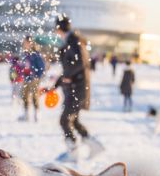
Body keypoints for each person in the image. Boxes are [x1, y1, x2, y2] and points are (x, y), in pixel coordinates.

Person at [48, 15, 104, 162]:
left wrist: (67, 76)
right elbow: (70, 68)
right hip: (74, 87)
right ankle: (94, 146)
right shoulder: (72, 40)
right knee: (74, 120)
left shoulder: (75, 41)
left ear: (58, 28)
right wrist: (54, 87)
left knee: (65, 120)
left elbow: (82, 63)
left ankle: (73, 151)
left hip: (77, 88)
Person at [19, 36, 46, 122]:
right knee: (24, 95)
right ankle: (26, 113)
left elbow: (41, 66)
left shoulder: (35, 54)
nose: (25, 44)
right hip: (26, 77)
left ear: (31, 43)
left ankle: (36, 113)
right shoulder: (24, 54)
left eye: (26, 42)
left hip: (34, 78)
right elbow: (22, 65)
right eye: (24, 43)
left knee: (35, 95)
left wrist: (37, 75)